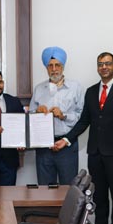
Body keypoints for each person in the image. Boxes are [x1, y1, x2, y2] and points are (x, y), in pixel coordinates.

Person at [56, 52, 113, 224]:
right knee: (98, 196)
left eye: (108, 64)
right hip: (95, 153)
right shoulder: (91, 91)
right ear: (97, 67)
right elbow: (85, 121)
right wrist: (66, 139)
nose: (104, 67)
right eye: (100, 64)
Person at [29, 46, 84, 185]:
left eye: (57, 65)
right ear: (46, 68)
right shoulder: (39, 89)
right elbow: (29, 118)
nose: (54, 69)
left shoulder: (75, 87)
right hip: (43, 148)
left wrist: (63, 115)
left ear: (63, 67)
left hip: (66, 145)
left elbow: (82, 117)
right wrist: (37, 113)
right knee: (45, 190)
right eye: (50, 66)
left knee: (68, 190)